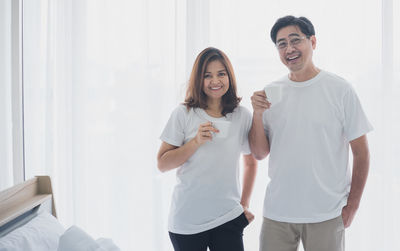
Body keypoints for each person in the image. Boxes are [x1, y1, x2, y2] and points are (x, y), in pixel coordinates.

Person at [249, 16, 373, 251]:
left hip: (326, 213)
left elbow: (362, 153)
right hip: (278, 214)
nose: (289, 49)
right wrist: (256, 114)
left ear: (313, 42)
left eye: (295, 40)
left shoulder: (340, 89)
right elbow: (259, 153)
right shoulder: (270, 92)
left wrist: (353, 205)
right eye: (281, 44)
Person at [157, 47, 257, 251]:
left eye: (221, 73)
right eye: (207, 75)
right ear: (198, 80)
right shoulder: (183, 114)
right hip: (187, 222)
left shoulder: (242, 115)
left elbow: (250, 160)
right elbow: (162, 164)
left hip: (228, 217)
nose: (215, 81)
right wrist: (195, 142)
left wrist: (243, 205)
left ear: (229, 76)